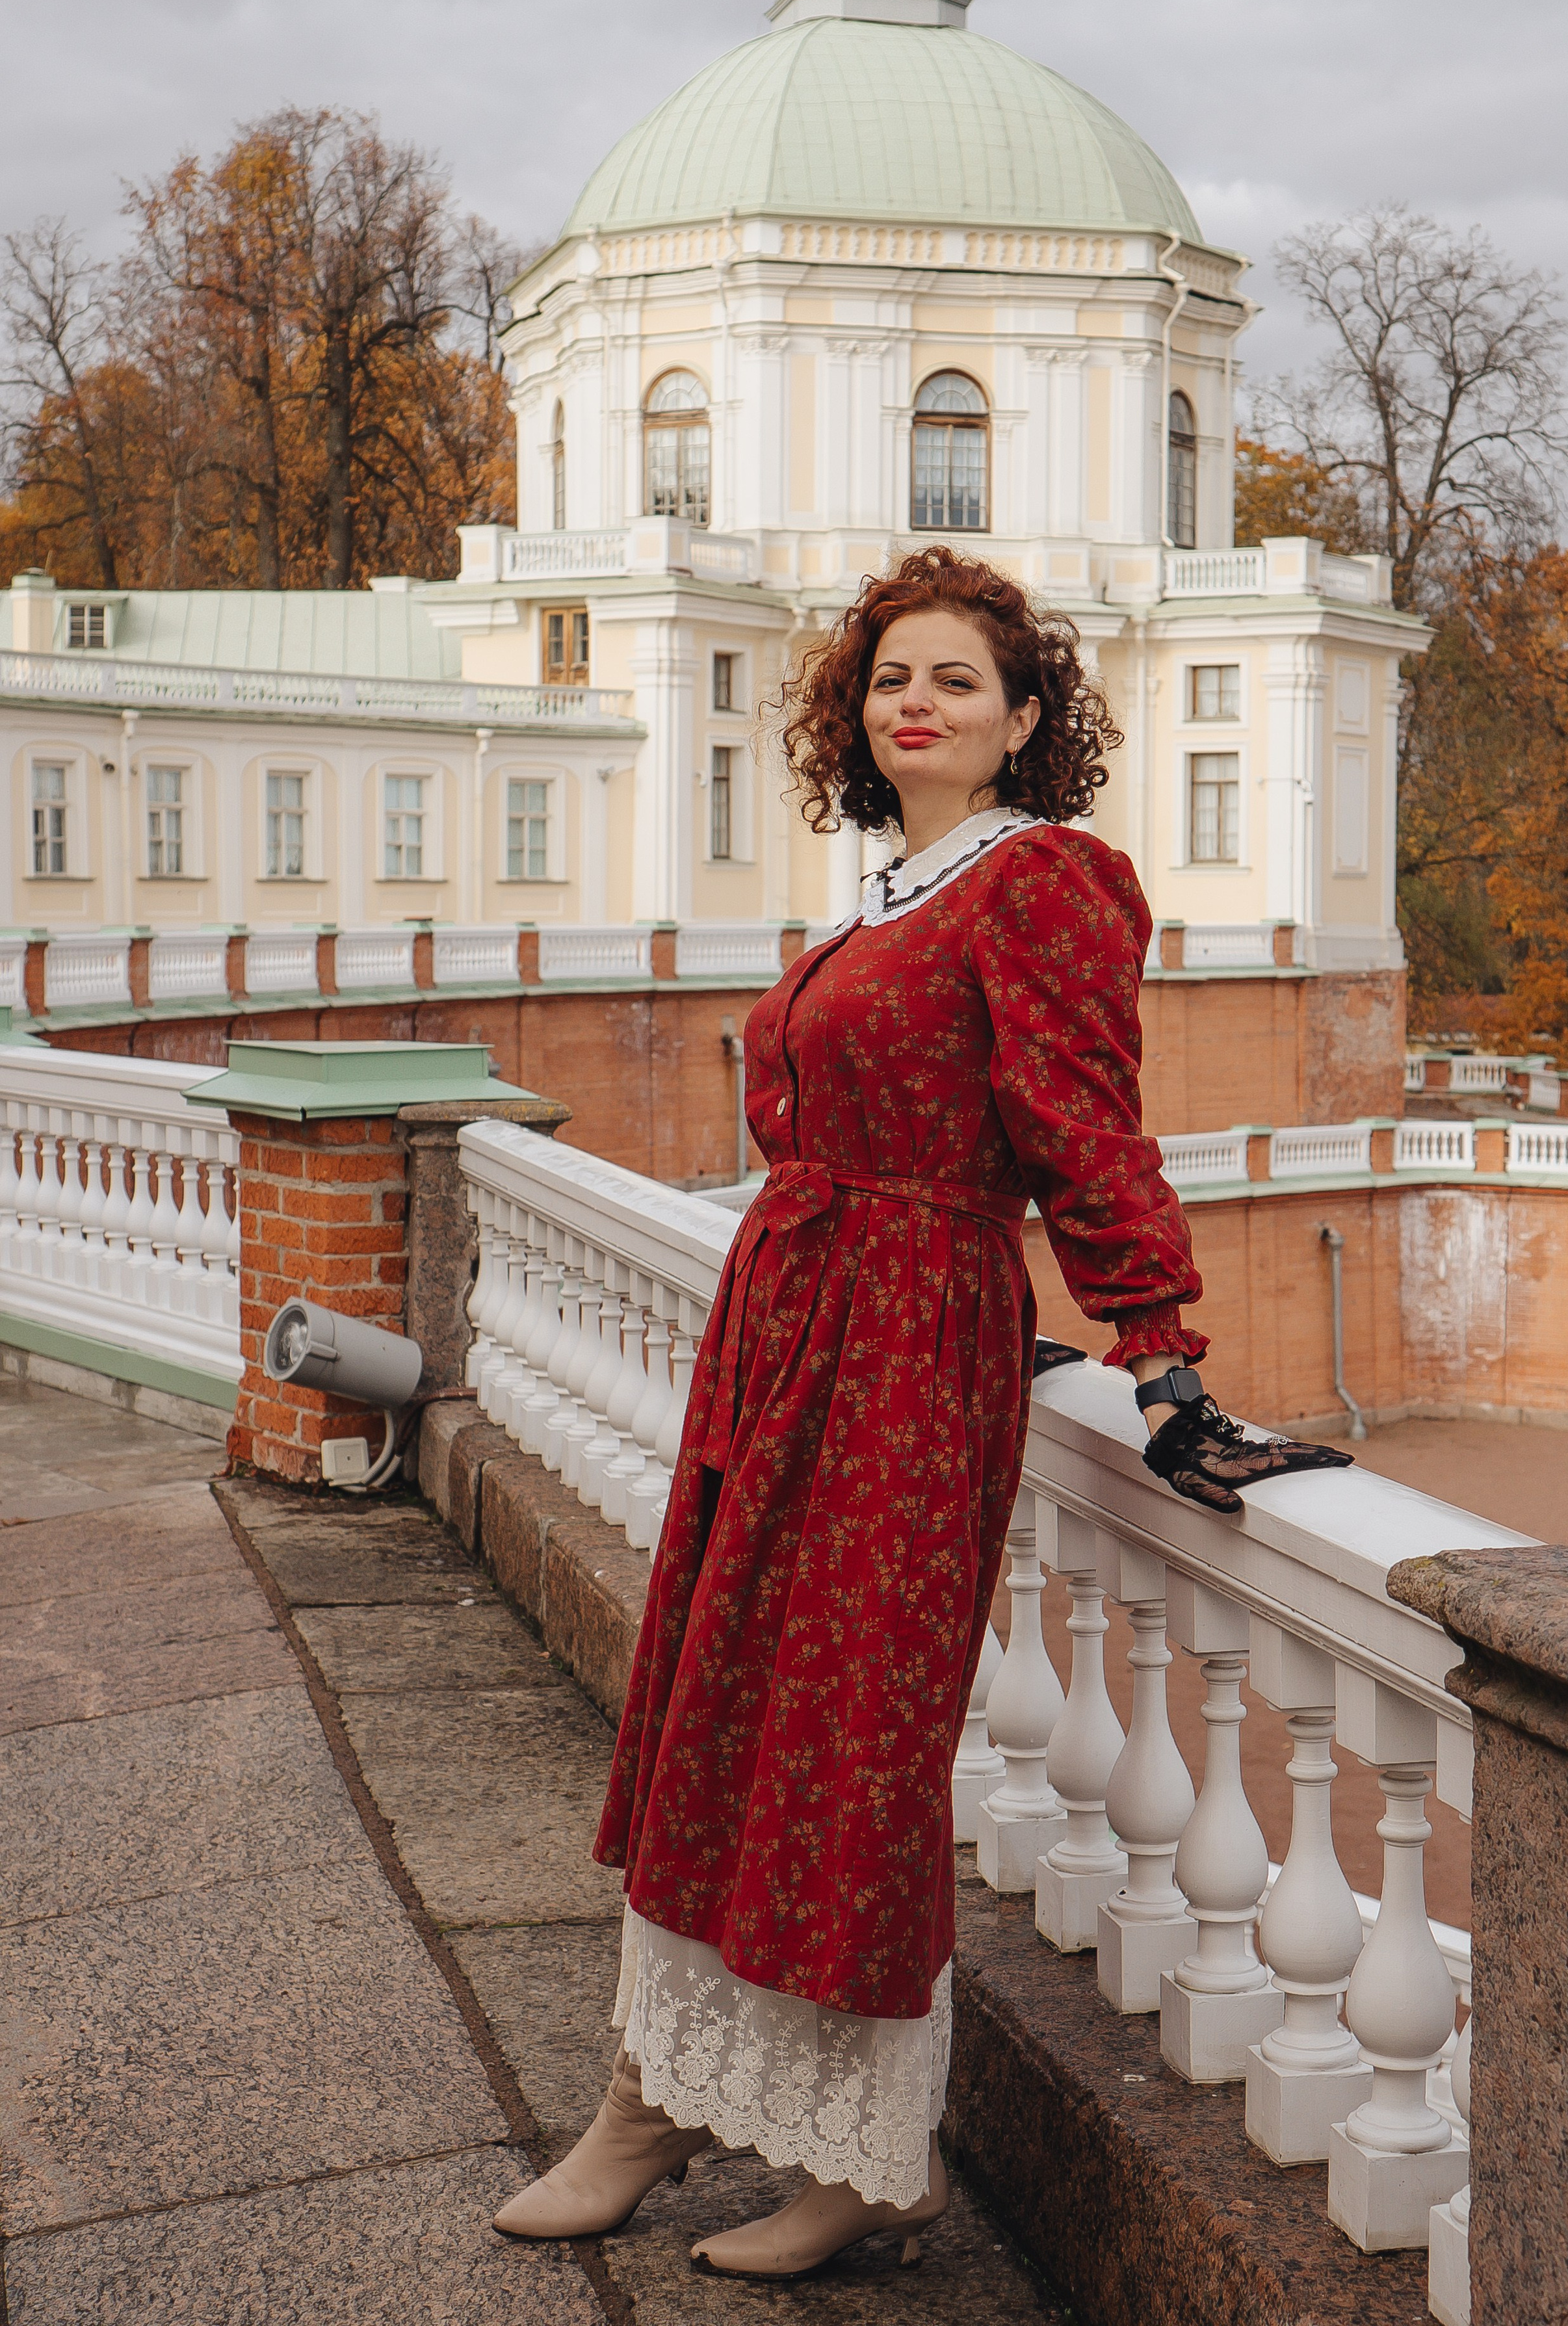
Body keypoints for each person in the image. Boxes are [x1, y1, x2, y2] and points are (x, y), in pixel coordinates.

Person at [493, 547, 1349, 2279]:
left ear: (1024, 720)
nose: (917, 701)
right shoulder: (890, 891)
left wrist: (1160, 1356)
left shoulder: (1042, 881)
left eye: (958, 679)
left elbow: (1083, 1127)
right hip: (797, 1327)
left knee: (847, 1740)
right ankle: (658, 2093)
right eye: (893, 676)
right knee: (726, 1710)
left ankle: (862, 2155)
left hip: (897, 1351)